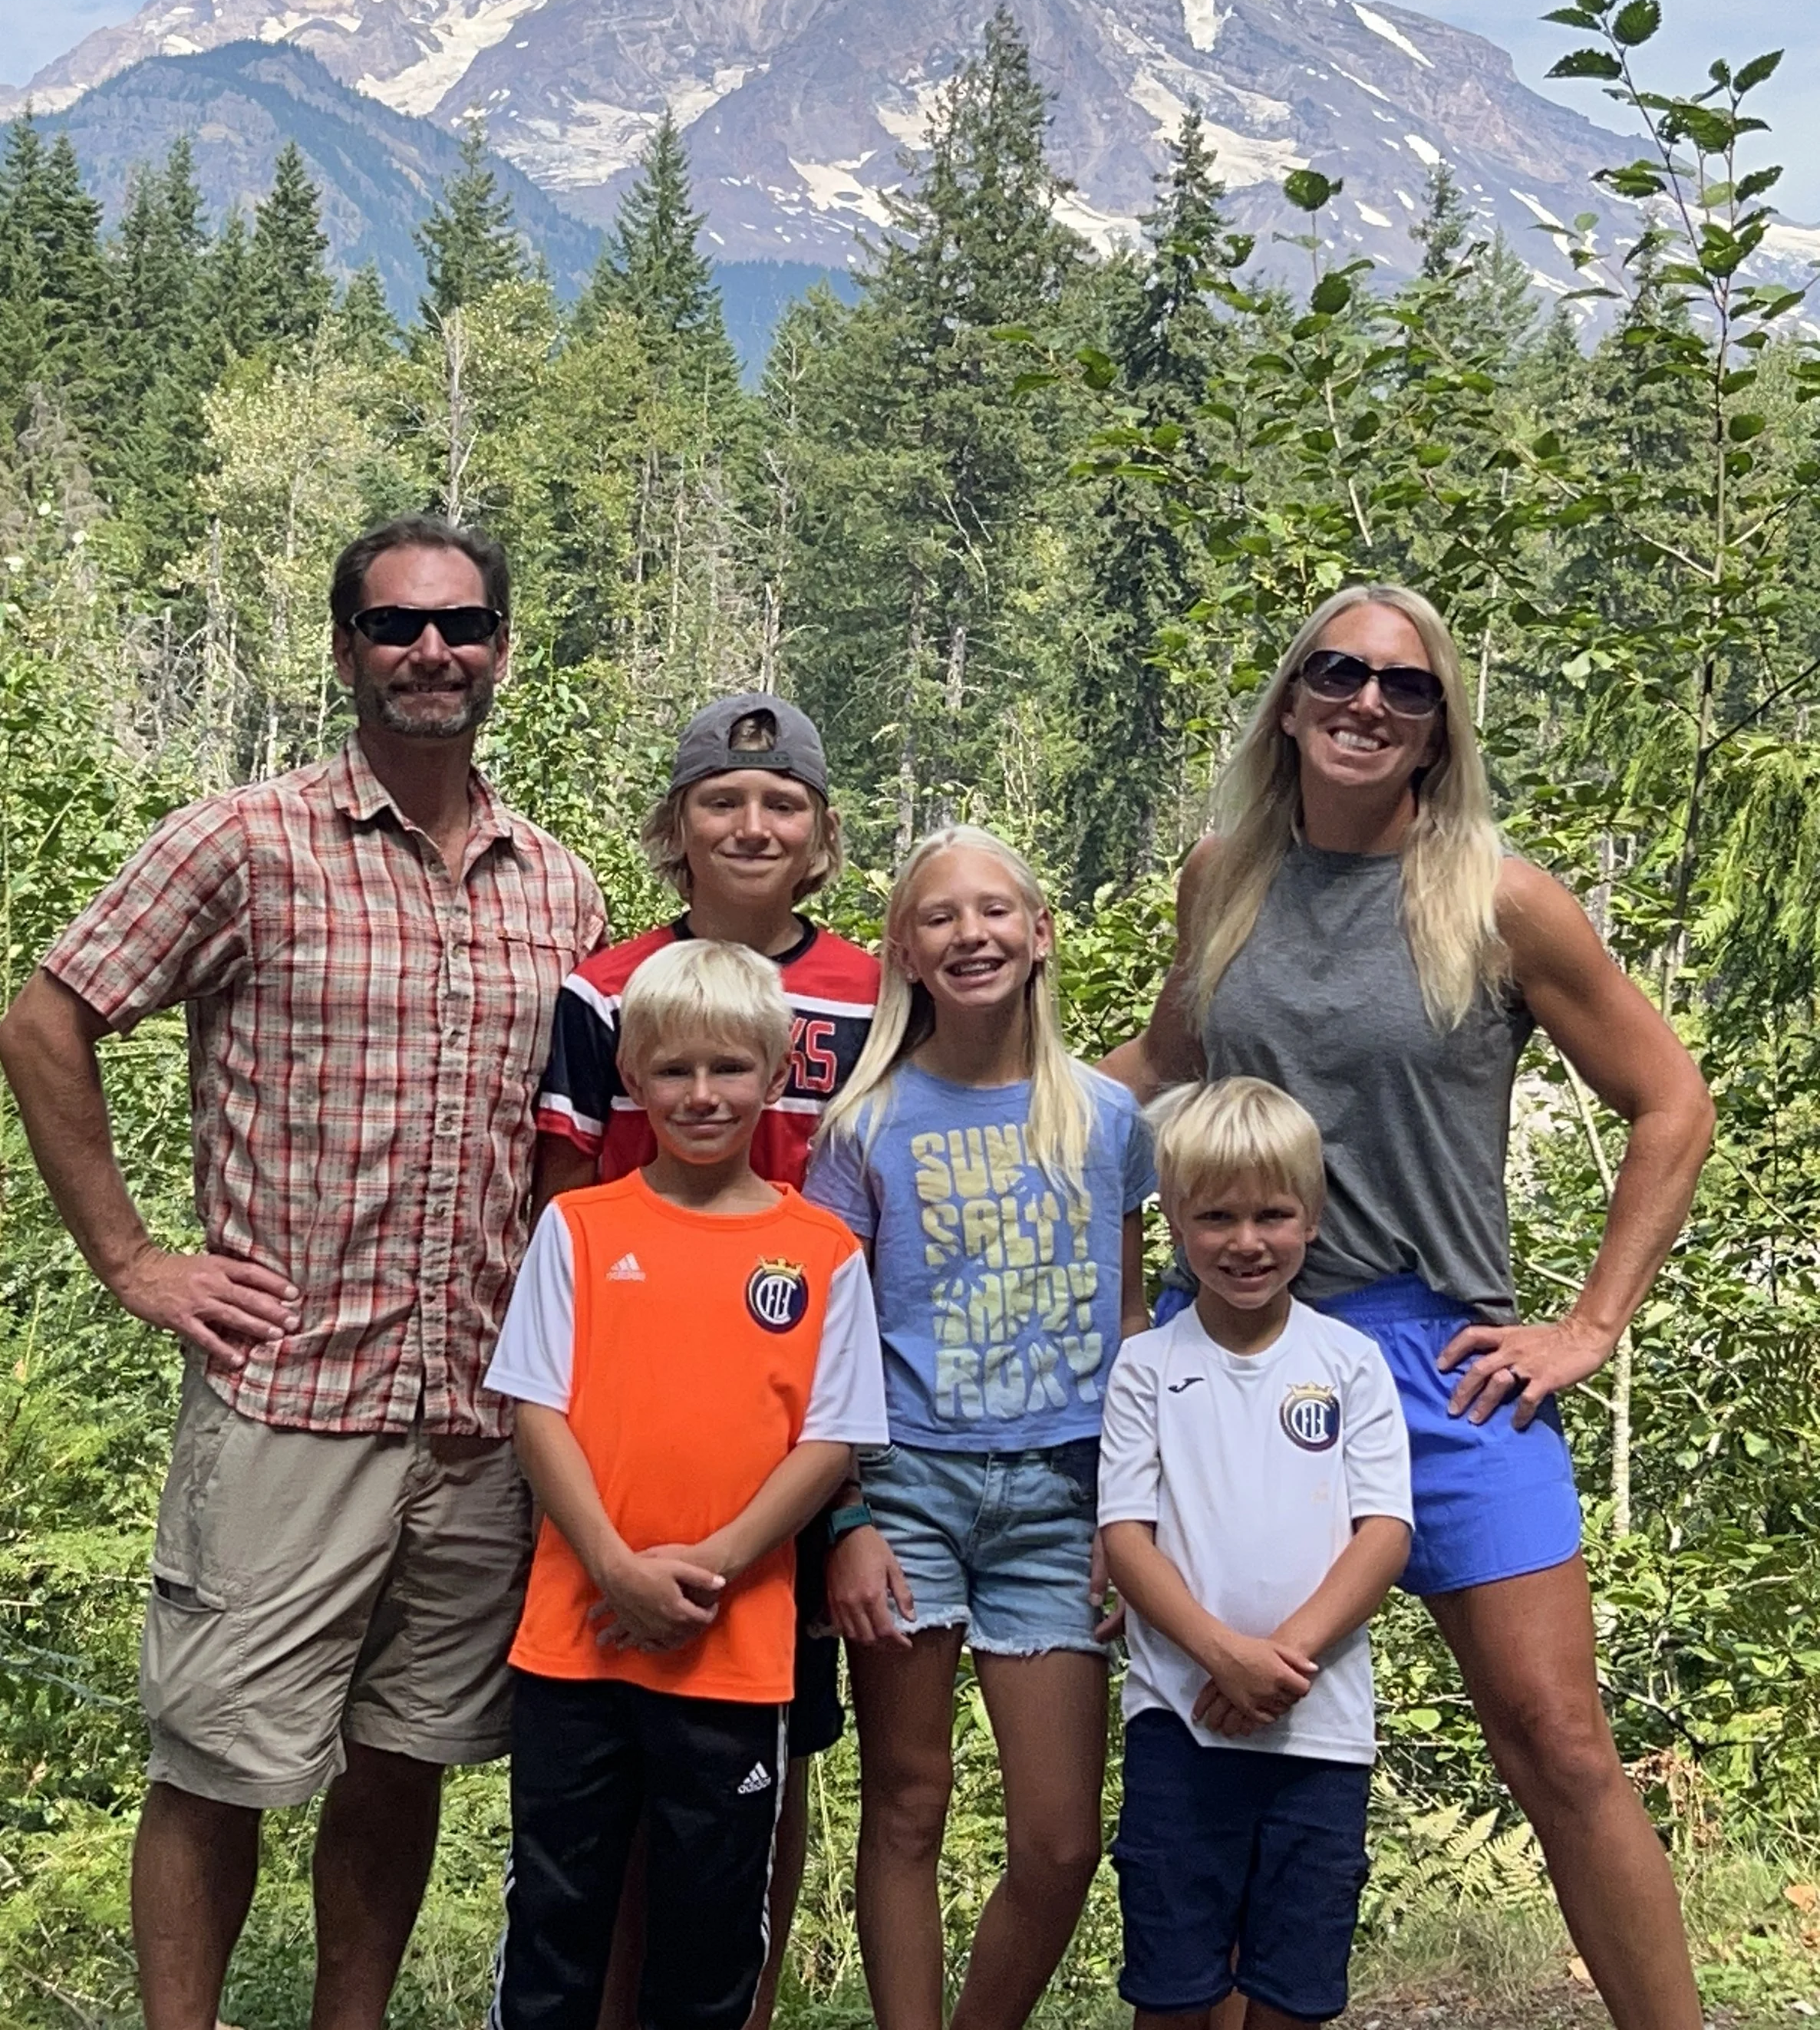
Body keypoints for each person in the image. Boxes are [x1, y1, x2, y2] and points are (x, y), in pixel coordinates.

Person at [0, 513, 607, 2030]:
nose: (430, 653)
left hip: (474, 1411)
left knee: (401, 1761)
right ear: (345, 649)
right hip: (287, 1397)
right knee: (217, 1763)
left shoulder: (562, 890)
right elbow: (44, 1018)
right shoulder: (245, 842)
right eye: (395, 626)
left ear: (500, 653)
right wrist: (133, 1256)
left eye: (460, 627)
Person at [1102, 582, 1715, 2030]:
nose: (1368, 701)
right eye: (1338, 670)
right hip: (1236, 1357)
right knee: (1220, 1740)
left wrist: (1591, 1322)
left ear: (1441, 728)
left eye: (1408, 685)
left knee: (1559, 1738)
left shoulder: (1495, 894)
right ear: (1292, 694)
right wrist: (956, 1094)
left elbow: (1670, 1101)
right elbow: (1156, 1074)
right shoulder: (1224, 874)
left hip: (1441, 1358)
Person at [535, 689, 878, 2028]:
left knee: (760, 1769)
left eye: (780, 799)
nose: (750, 821)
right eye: (720, 800)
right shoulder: (605, 989)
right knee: (603, 1785)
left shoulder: (870, 988)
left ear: (819, 829)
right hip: (617, 1439)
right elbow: (562, 1192)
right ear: (673, 826)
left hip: (795, 1435)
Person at [807, 825, 1156, 2030]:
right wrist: (844, 1514)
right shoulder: (862, 1125)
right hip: (908, 1486)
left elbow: (1130, 1318)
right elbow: (831, 1342)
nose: (973, 934)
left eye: (997, 910)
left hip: (1065, 1498)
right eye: (941, 917)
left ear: (1041, 933)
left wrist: (1132, 1505)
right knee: (907, 1799)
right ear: (904, 949)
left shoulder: (1109, 1118)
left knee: (1059, 1840)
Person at [1100, 1077, 1412, 2030]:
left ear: (1311, 1219)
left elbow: (1384, 1533)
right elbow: (1124, 1537)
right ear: (1176, 1224)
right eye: (1216, 1216)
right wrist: (1219, 1656)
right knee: (1175, 1985)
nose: (1245, 1241)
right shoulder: (1147, 1366)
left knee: (1294, 1988)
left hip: (1318, 1728)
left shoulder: (1350, 1363)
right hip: (1177, 1721)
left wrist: (1282, 1659)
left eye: (1272, 1214)